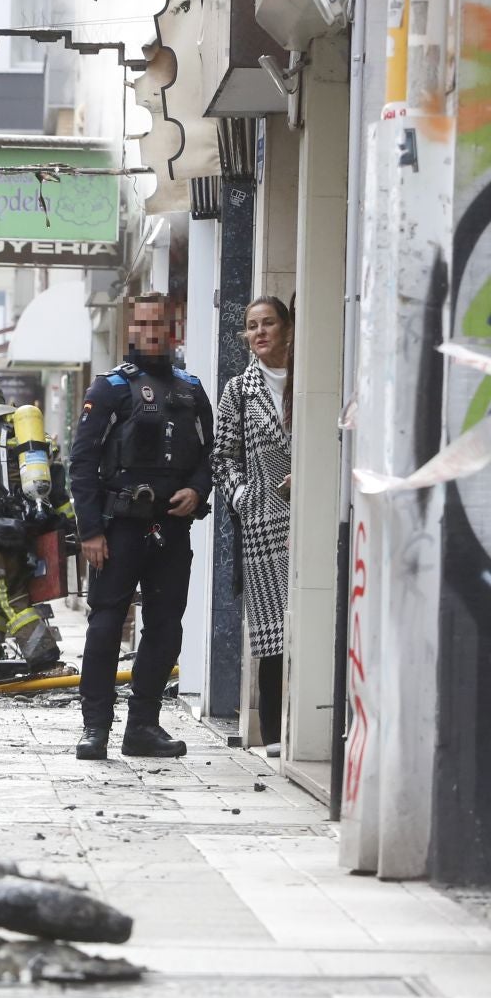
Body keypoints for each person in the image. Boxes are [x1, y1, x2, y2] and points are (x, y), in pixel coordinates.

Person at [68, 295, 214, 761]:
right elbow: (82, 462)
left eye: (162, 324)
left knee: (166, 627)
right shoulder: (110, 389)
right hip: (118, 530)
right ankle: (96, 729)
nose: (153, 333)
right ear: (130, 330)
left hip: (172, 530)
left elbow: (212, 455)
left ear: (176, 330)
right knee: (106, 625)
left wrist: (198, 490)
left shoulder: (192, 390)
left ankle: (143, 727)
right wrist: (90, 531)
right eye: (145, 324)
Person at [215, 295, 293, 755]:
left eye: (267, 323)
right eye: (251, 326)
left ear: (287, 328)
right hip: (263, 520)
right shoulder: (239, 389)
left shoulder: (310, 378)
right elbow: (224, 457)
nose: (259, 332)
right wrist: (243, 497)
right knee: (270, 631)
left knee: (314, 622)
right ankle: (275, 736)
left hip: (310, 516)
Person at [0, 381, 64, 675]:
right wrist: (65, 523)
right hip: (30, 524)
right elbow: (55, 476)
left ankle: (44, 657)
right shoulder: (29, 431)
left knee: (11, 596)